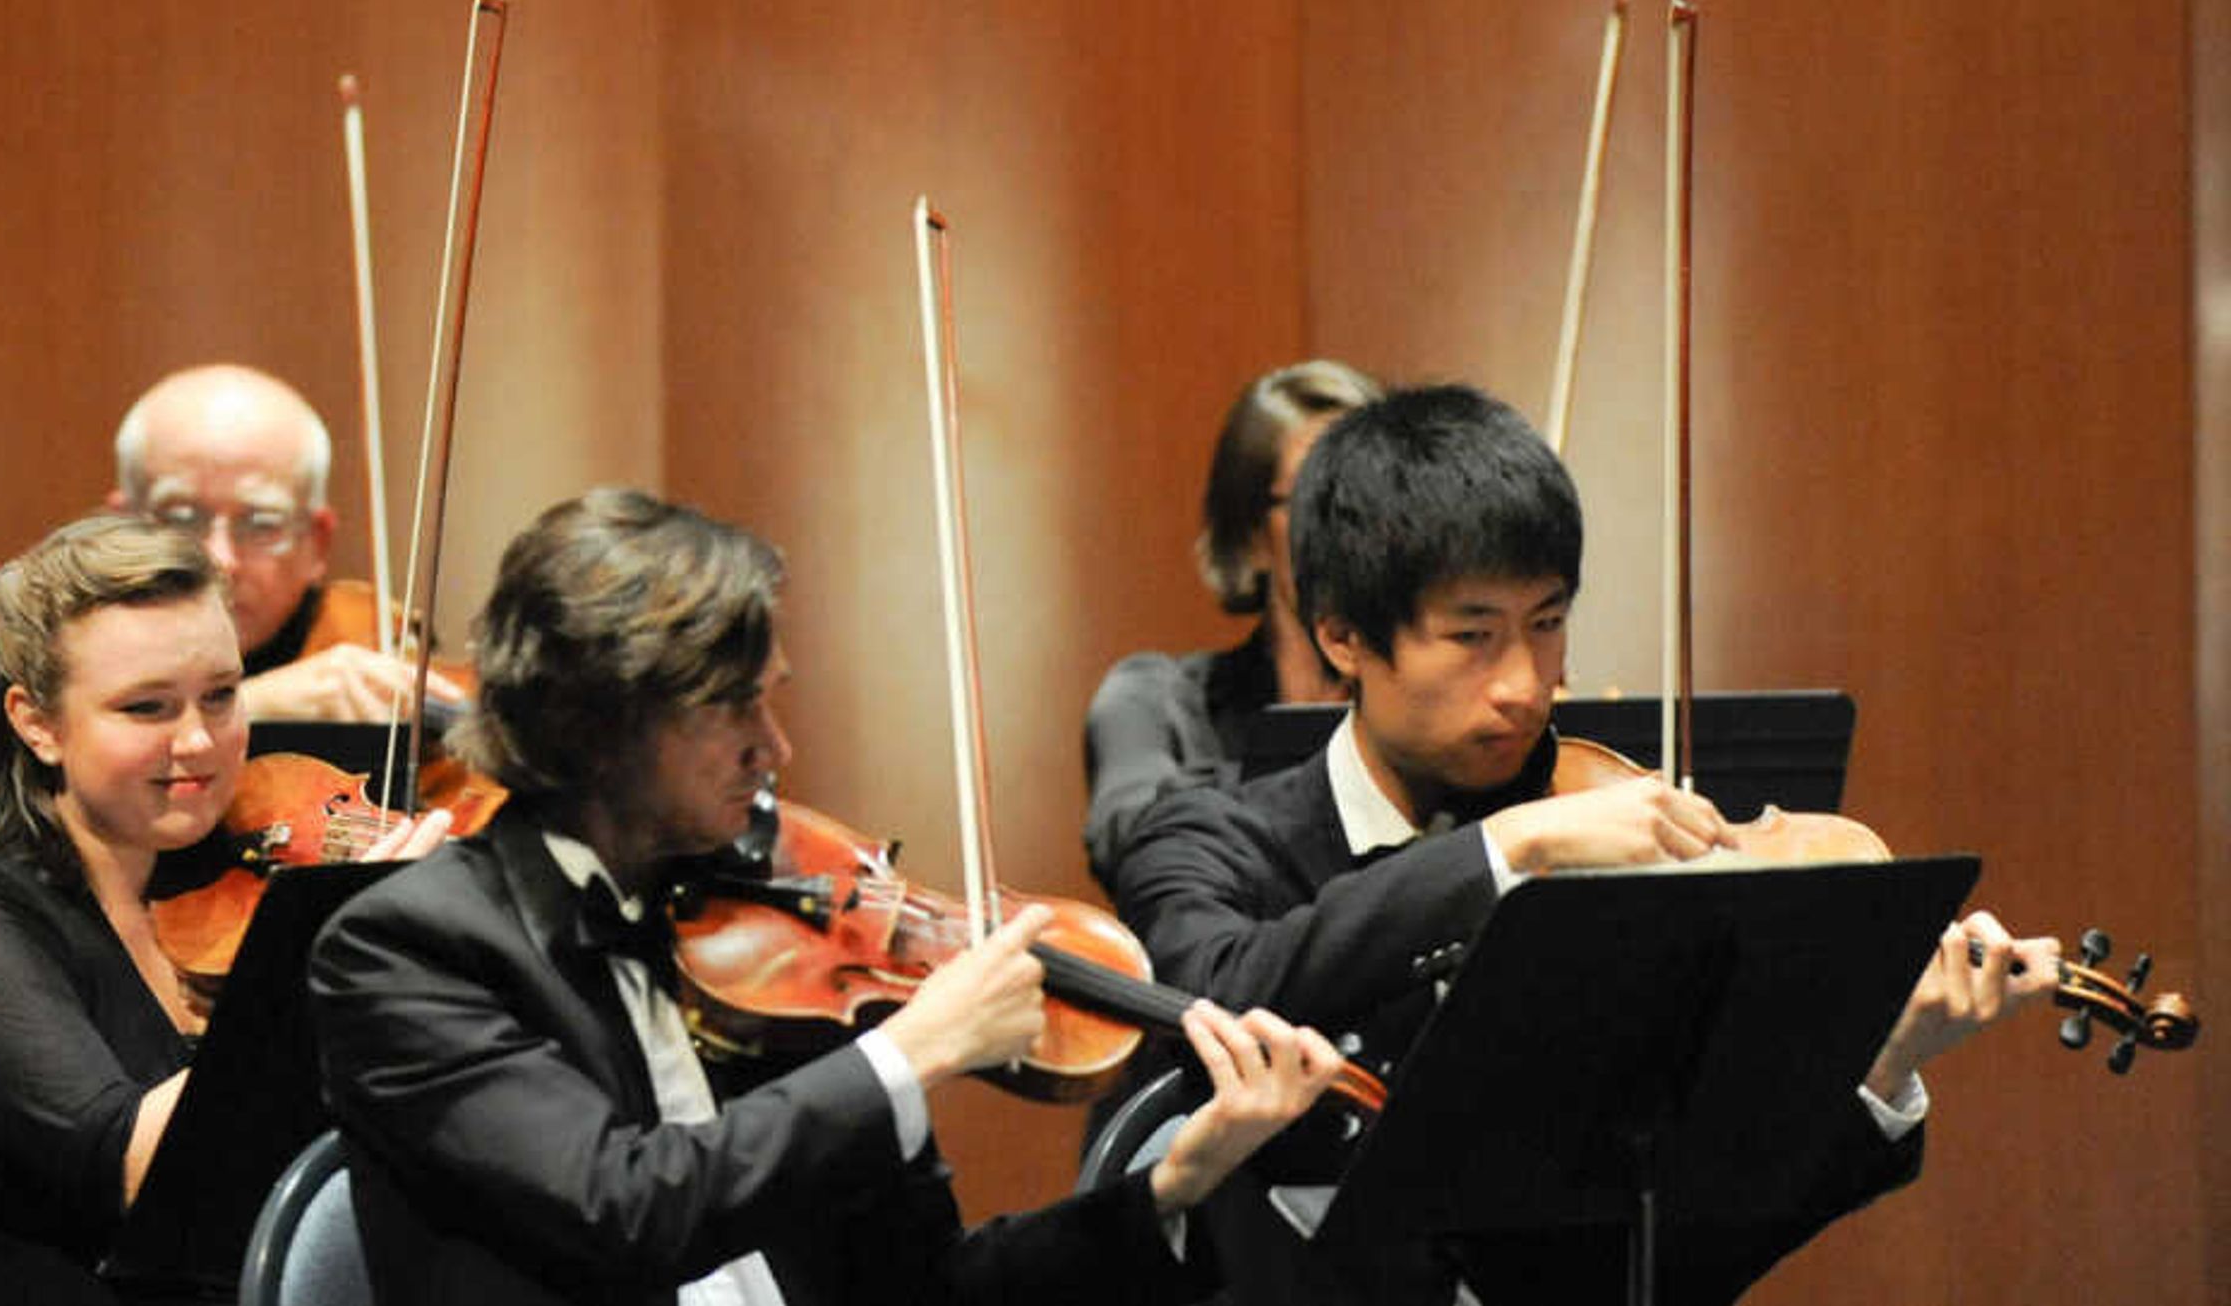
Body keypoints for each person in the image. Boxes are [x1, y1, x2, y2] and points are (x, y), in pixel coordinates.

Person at [1103, 383, 2054, 1306]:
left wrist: (1881, 1066)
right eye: (1472, 635)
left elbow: (1664, 1257)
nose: (1525, 685)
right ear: (1345, 637)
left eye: (1547, 624)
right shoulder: (1216, 837)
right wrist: (1508, 848)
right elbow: (1210, 987)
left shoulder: (1615, 866)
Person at [309, 485, 1346, 1306]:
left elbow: (931, 1289)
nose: (777, 749)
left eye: (774, 699)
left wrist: (1172, 1184)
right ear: (599, 724)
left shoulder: (777, 953)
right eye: (733, 709)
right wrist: (912, 1051)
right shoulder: (410, 948)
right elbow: (625, 1212)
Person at [0, 512, 439, 1305]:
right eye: (147, 709)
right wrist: (337, 960)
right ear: (37, 723)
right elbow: (129, 1169)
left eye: (221, 696)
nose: (200, 743)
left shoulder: (253, 876)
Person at [1081, 360, 1381, 882]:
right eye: (1319, 501)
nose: (1355, 528)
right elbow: (1130, 836)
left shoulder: (1436, 710)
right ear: (1249, 535)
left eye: (1377, 498)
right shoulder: (1155, 700)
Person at [108, 363, 445, 724]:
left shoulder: (373, 646)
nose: (219, 560)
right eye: (182, 520)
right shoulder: (73, 660)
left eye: (261, 524)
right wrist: (252, 704)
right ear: (125, 526)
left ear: (317, 542)